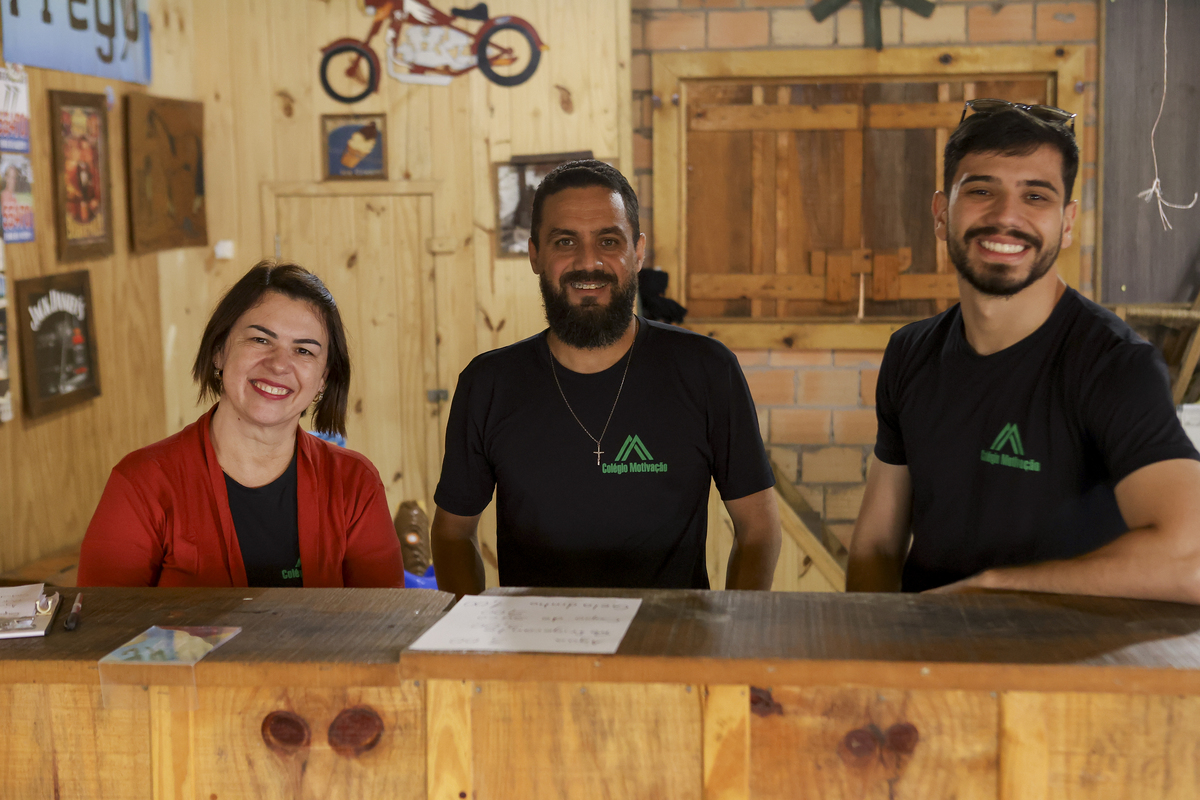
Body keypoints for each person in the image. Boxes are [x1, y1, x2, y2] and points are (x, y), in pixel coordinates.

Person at [847, 101, 1200, 602]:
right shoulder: (910, 352)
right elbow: (876, 547)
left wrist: (991, 589)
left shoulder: (1115, 365)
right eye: (981, 190)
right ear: (942, 214)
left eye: (1035, 196)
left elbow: (1191, 561)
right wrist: (872, 643)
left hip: (1063, 652)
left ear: (1067, 222)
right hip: (926, 645)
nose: (1005, 216)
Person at [432, 160, 780, 593]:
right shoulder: (489, 384)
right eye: (565, 241)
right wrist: (469, 628)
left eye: (609, 241)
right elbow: (452, 535)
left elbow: (758, 529)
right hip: (535, 636)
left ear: (638, 252)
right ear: (535, 255)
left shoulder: (707, 370)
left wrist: (738, 629)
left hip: (674, 633)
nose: (588, 262)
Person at [79, 261, 404, 588]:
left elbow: (385, 617)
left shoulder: (355, 484)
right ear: (219, 351)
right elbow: (101, 618)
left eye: (304, 350)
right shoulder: (141, 483)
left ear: (323, 378)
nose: (279, 364)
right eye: (260, 340)